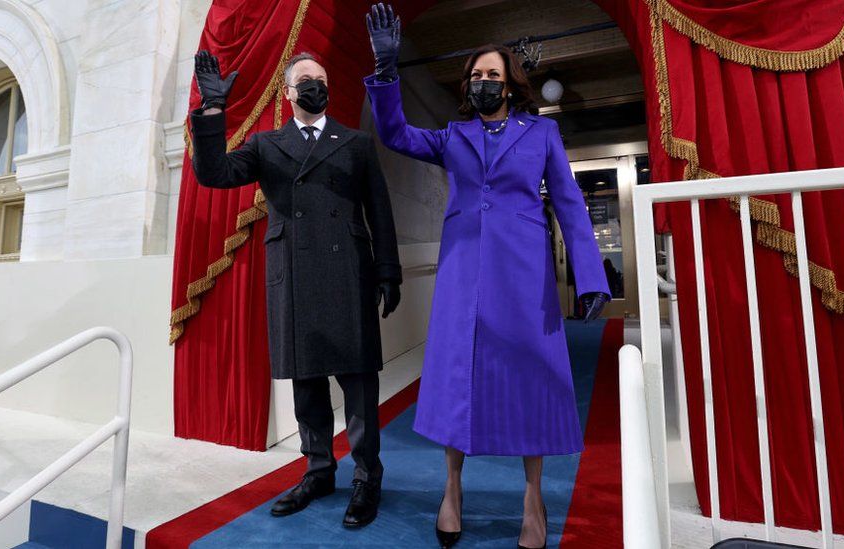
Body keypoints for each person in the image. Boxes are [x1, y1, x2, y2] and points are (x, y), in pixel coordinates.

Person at [363, 4, 611, 548]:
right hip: (462, 276)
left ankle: (533, 498)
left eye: (492, 75)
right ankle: (451, 489)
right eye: (476, 76)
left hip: (524, 276)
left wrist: (592, 276)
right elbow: (397, 134)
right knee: (458, 376)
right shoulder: (452, 135)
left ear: (510, 84)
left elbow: (569, 204)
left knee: (533, 377)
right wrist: (385, 74)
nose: (482, 82)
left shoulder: (541, 135)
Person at [190, 49, 402, 528]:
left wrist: (389, 270)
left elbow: (380, 211)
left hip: (348, 271)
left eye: (321, 78)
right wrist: (213, 113)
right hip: (295, 274)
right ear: (287, 94)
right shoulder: (267, 144)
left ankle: (367, 476)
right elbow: (214, 174)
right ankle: (319, 469)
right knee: (307, 386)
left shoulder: (355, 143)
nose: (314, 84)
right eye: (304, 79)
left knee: (360, 386)